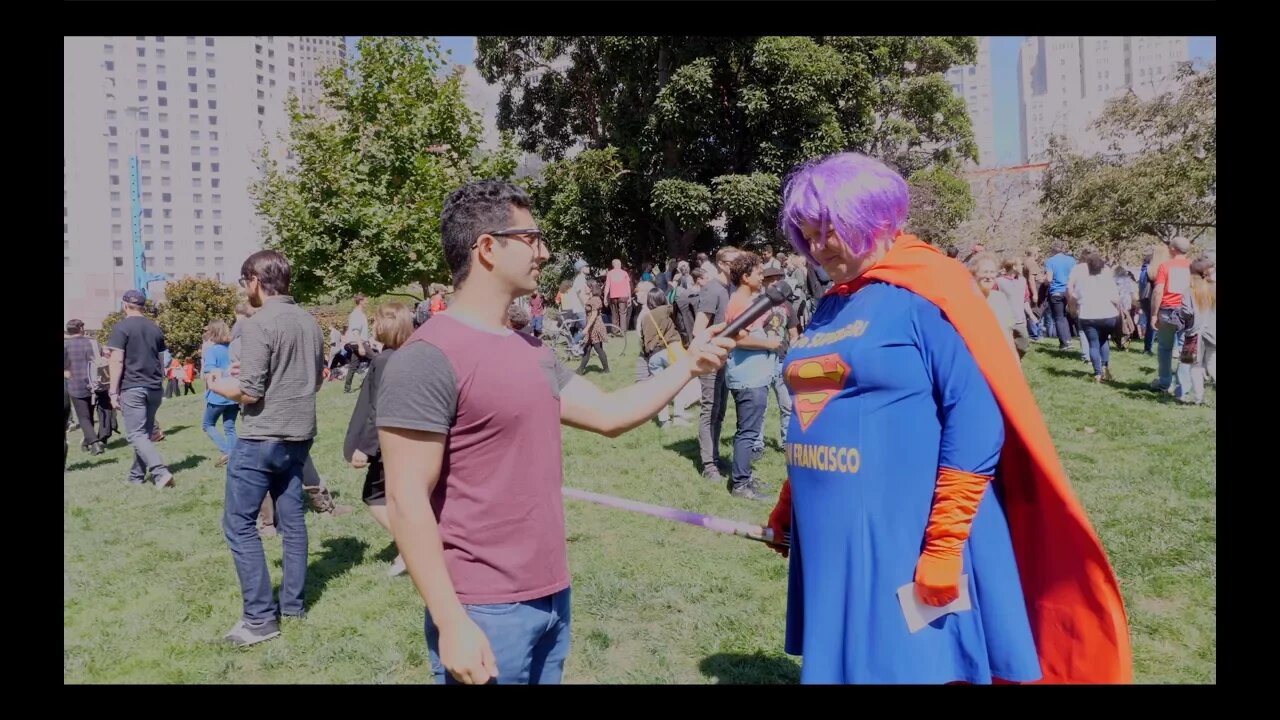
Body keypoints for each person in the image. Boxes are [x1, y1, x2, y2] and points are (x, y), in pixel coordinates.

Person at [763, 152, 1131, 684]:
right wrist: (790, 502)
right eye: (809, 234)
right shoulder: (832, 305)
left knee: (911, 670)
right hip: (832, 538)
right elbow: (823, 411)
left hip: (908, 534)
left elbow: (976, 422)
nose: (819, 248)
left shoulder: (927, 293)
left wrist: (942, 545)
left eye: (830, 230)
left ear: (873, 218)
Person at [375, 179, 734, 685]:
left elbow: (609, 414)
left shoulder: (530, 349)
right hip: (483, 608)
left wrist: (690, 366)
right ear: (487, 248)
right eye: (532, 238)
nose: (544, 251)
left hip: (551, 595)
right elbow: (406, 500)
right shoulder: (426, 360)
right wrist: (451, 619)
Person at [208, 250, 326, 647]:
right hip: (299, 435)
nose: (246, 290)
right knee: (293, 524)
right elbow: (314, 377)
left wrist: (215, 383)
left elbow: (248, 391)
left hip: (261, 438)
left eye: (245, 283)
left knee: (239, 525)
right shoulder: (310, 322)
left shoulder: (259, 324)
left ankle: (259, 619)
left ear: (255, 280)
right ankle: (292, 606)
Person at [345, 302, 415, 576]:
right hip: (408, 438)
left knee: (375, 497)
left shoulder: (385, 362)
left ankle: (412, 548)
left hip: (388, 442)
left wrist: (366, 447)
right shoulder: (406, 356)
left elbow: (379, 408)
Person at [106, 290, 174, 489]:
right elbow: (162, 360)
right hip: (154, 387)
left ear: (124, 305)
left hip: (132, 387)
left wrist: (112, 391)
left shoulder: (121, 328)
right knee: (143, 434)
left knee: (136, 435)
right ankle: (135, 477)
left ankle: (160, 472)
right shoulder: (155, 328)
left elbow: (116, 360)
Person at [1073, 253, 1124, 383]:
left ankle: (1097, 373)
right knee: (1103, 341)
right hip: (1107, 315)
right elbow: (1116, 299)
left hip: (1088, 315)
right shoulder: (1108, 281)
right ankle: (1105, 367)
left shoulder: (1082, 281)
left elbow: (1075, 297)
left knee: (1093, 344)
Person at [201, 319, 238, 466]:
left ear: (212, 332)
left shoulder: (213, 350)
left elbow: (211, 371)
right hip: (234, 394)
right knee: (230, 426)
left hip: (218, 395)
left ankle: (226, 451)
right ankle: (235, 454)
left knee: (208, 424)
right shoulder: (233, 348)